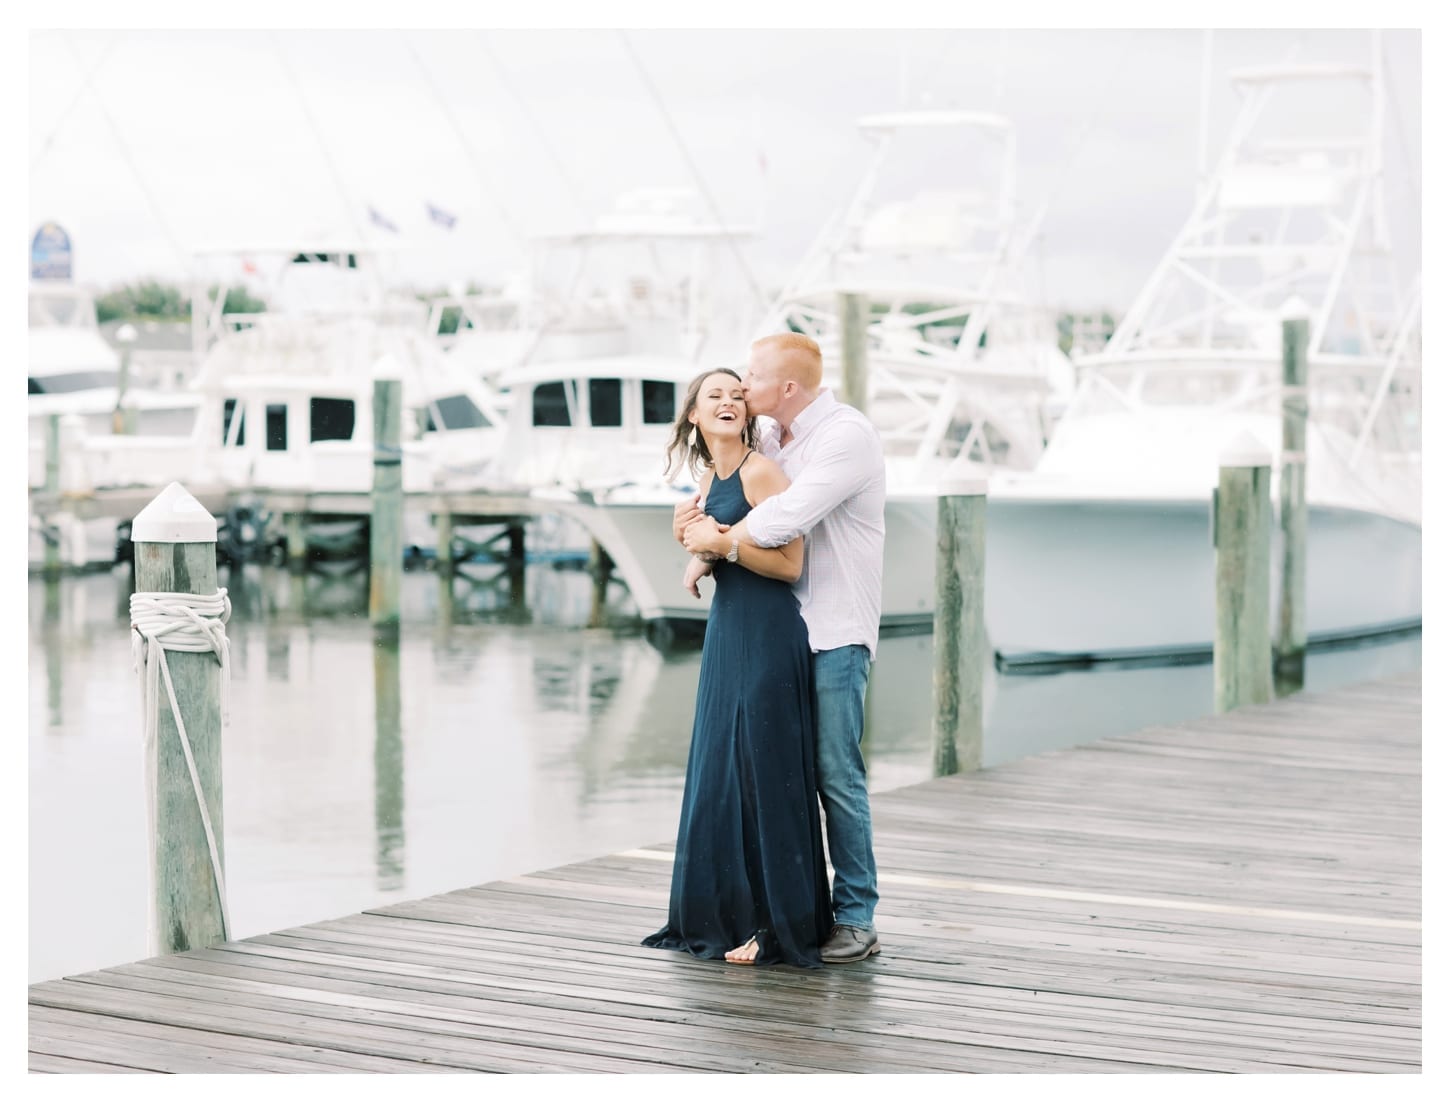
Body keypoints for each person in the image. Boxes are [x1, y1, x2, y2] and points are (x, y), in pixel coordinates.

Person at [678, 332, 886, 963]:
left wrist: (710, 543)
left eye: (751, 376)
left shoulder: (844, 437)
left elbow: (781, 519)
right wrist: (693, 529)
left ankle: (855, 916)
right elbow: (728, 486)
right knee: (778, 774)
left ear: (786, 388)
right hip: (783, 631)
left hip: (835, 631)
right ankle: (790, 909)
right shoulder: (772, 438)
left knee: (834, 774)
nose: (742, 385)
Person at [641, 368, 834, 967]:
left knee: (761, 770)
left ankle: (776, 925)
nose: (727, 401)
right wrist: (698, 549)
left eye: (735, 394)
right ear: (694, 416)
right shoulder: (709, 476)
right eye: (712, 396)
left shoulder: (761, 471)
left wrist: (715, 547)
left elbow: (790, 565)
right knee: (723, 770)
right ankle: (725, 912)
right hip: (728, 630)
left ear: (747, 411)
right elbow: (713, 539)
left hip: (769, 631)